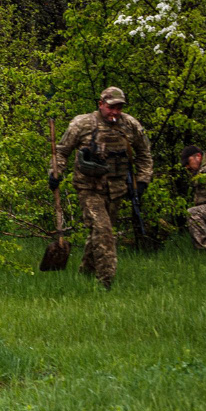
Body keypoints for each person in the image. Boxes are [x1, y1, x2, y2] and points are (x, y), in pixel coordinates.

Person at [49, 86, 153, 289]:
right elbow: (62, 151)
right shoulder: (83, 124)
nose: (115, 112)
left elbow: (144, 154)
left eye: (119, 108)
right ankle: (105, 283)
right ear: (101, 104)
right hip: (88, 189)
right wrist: (55, 173)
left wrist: (142, 181)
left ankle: (85, 273)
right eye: (111, 107)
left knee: (98, 233)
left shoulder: (130, 125)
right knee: (104, 231)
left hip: (116, 190)